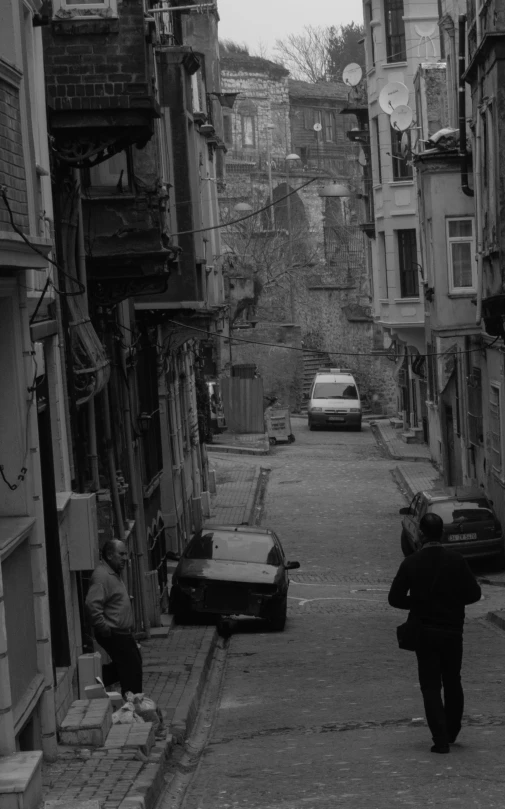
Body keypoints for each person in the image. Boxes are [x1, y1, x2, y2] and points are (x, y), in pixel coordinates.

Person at [388, 512, 481, 754]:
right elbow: (474, 594)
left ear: (420, 533)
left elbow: (394, 598)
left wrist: (418, 603)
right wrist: (451, 601)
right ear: (442, 533)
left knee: (430, 686)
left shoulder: (411, 562)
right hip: (452, 631)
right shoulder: (457, 560)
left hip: (425, 632)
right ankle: (452, 730)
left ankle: (440, 739)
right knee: (453, 681)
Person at [85, 539, 142, 698]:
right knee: (132, 669)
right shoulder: (102, 575)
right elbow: (92, 604)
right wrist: (104, 628)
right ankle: (134, 703)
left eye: (126, 554)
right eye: (121, 554)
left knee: (129, 665)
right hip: (114, 633)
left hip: (122, 632)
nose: (125, 558)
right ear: (109, 555)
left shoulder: (113, 573)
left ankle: (93, 680)